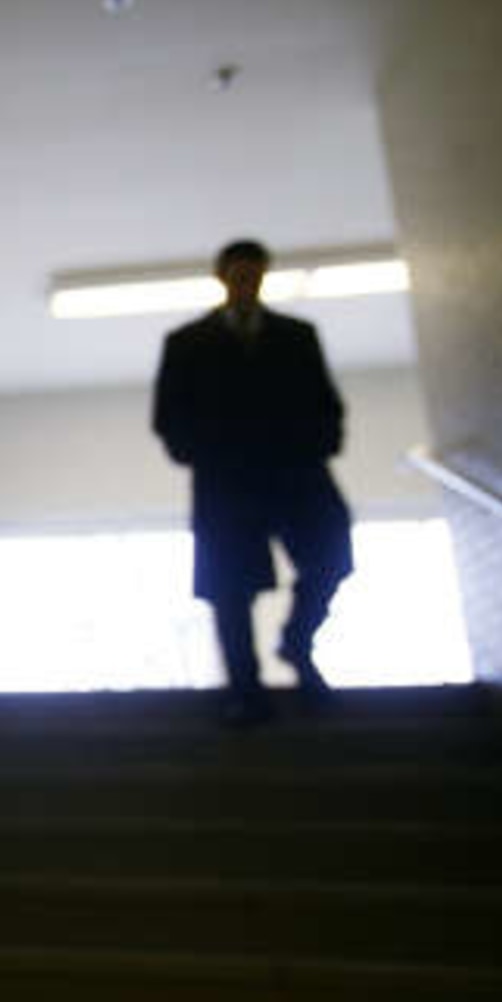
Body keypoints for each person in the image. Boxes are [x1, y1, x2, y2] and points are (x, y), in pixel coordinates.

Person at [152, 239, 354, 723]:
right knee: (229, 586)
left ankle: (297, 644)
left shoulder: (297, 336)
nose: (247, 284)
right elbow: (170, 413)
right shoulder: (186, 343)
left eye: (254, 274)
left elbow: (325, 401)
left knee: (332, 554)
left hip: (296, 471)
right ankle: (245, 689)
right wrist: (203, 454)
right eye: (239, 275)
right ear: (223, 278)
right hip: (226, 480)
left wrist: (316, 447)